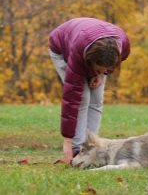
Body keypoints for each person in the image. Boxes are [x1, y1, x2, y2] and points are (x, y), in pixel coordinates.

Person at [49, 17, 130, 164]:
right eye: (99, 68)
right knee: (82, 98)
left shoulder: (123, 47)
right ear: (89, 61)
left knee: (96, 99)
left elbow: (109, 65)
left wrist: (100, 73)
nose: (104, 71)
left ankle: (91, 148)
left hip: (90, 43)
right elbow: (72, 99)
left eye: (107, 69)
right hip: (63, 47)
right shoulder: (79, 51)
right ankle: (77, 151)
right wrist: (68, 142)